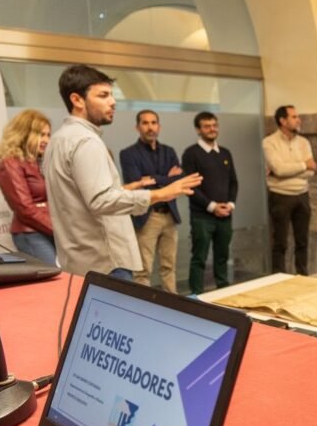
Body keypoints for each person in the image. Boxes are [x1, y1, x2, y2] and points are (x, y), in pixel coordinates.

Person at [44, 64, 201, 280]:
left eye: (111, 95)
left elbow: (81, 196)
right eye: (103, 95)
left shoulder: (59, 139)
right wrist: (160, 193)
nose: (113, 102)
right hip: (105, 262)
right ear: (77, 100)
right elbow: (100, 200)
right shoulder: (87, 141)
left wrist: (124, 189)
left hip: (79, 260)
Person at [119, 110, 184, 292]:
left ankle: (173, 307)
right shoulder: (128, 154)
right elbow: (136, 184)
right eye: (145, 123)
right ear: (137, 127)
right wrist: (165, 178)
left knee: (169, 267)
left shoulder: (169, 151)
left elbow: (178, 180)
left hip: (169, 215)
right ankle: (143, 309)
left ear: (159, 126)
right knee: (142, 271)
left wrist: (153, 179)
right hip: (147, 216)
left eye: (154, 123)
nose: (150, 127)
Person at [181, 112, 238, 295]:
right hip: (202, 217)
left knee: (222, 256)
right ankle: (195, 296)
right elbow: (191, 187)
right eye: (207, 126)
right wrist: (212, 206)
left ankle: (223, 292)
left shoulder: (225, 152)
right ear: (198, 130)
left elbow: (233, 182)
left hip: (225, 215)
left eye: (214, 125)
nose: (212, 129)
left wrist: (230, 204)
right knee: (199, 258)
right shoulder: (191, 154)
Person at [0, 109, 56, 265]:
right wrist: (59, 231)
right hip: (31, 234)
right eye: (41, 134)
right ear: (23, 133)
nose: (46, 140)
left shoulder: (39, 161)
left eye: (48, 135)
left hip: (50, 229)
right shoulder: (9, 163)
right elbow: (25, 209)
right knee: (52, 281)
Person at [263, 105, 316, 275]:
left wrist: (289, 171)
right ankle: (278, 277)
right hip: (280, 196)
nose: (298, 119)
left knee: (303, 241)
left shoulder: (303, 142)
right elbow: (279, 169)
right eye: (294, 117)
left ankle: (302, 275)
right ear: (282, 121)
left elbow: (311, 170)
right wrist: (302, 165)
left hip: (302, 194)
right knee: (280, 242)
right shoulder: (269, 142)